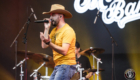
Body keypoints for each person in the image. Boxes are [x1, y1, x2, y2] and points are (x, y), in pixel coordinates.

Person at [40, 4, 76, 80]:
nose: (50, 18)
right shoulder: (54, 31)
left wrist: (49, 42)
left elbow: (64, 51)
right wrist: (46, 28)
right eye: (50, 15)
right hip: (58, 66)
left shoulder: (68, 30)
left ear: (60, 16)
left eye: (53, 15)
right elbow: (44, 46)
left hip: (66, 65)